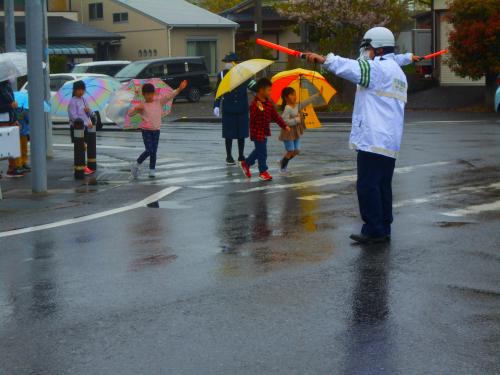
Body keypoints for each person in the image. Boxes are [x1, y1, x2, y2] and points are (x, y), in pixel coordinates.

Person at [305, 27, 410, 244]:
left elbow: (350, 68)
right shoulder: (397, 71)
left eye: (368, 48)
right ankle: (383, 227)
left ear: (378, 49)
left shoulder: (377, 69)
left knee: (367, 185)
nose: (366, 52)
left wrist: (325, 59)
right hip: (389, 140)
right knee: (382, 186)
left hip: (373, 139)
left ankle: (373, 230)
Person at [130, 80, 188, 179]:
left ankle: (152, 170)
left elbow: (170, 96)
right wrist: (135, 109)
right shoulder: (142, 105)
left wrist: (179, 89)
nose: (150, 96)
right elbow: (130, 114)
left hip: (156, 130)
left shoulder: (159, 102)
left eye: (151, 94)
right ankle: (136, 164)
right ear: (143, 95)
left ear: (154, 93)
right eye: (147, 94)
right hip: (146, 130)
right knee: (149, 150)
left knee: (154, 151)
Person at [240, 78, 291, 181]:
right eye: (268, 90)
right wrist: (258, 107)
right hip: (257, 132)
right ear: (261, 90)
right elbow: (253, 117)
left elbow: (275, 116)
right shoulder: (255, 104)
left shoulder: (268, 103)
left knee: (258, 151)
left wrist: (284, 125)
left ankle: (246, 163)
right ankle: (263, 172)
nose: (270, 92)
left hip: (264, 132)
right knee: (263, 152)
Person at [213, 52, 252, 166]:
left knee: (242, 133)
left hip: (242, 108)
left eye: (229, 61)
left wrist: (261, 92)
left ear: (236, 63)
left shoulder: (244, 74)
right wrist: (216, 105)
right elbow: (218, 91)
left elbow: (253, 86)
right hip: (228, 108)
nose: (227, 64)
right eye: (226, 62)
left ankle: (241, 155)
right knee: (228, 134)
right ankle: (229, 156)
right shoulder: (221, 75)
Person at [278, 87, 322, 173]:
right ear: (286, 97)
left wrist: (317, 95)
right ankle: (283, 168)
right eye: (291, 95)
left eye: (294, 94)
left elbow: (307, 101)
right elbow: (284, 121)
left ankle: (282, 161)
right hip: (288, 132)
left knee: (296, 150)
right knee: (290, 151)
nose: (294, 96)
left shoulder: (297, 105)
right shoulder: (287, 108)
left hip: (295, 132)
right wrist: (296, 120)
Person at [68, 80, 94, 175]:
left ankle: (82, 166)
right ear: (74, 90)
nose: (81, 92)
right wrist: (86, 124)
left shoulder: (84, 100)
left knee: (84, 146)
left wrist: (88, 111)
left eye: (83, 90)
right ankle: (82, 167)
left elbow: (88, 113)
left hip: (85, 128)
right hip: (77, 128)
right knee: (80, 147)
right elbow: (73, 116)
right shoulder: (72, 101)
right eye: (79, 90)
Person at [0, 79, 24, 178]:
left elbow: (12, 105)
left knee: (12, 145)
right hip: (2, 120)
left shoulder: (8, 86)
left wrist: (15, 119)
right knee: (2, 145)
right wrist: (9, 106)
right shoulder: (3, 87)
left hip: (10, 119)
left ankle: (13, 167)